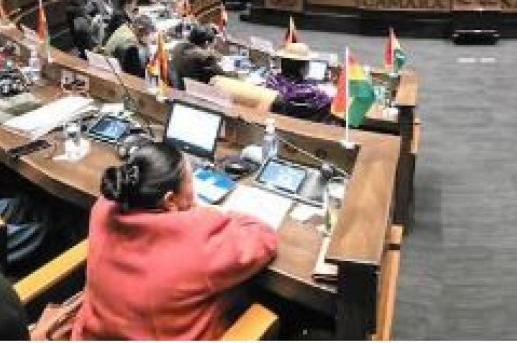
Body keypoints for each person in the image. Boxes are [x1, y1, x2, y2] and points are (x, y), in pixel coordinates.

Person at [72, 143, 277, 340]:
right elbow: (264, 238)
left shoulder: (104, 206)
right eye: (191, 180)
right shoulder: (195, 237)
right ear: (169, 201)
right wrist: (209, 213)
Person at [265, 42, 333, 121]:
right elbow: (330, 103)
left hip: (278, 122)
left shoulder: (272, 82)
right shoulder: (314, 92)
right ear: (303, 68)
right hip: (306, 126)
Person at [171, 24, 231, 90]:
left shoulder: (177, 47)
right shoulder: (204, 57)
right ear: (206, 43)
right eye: (212, 44)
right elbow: (222, 74)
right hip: (196, 89)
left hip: (179, 85)